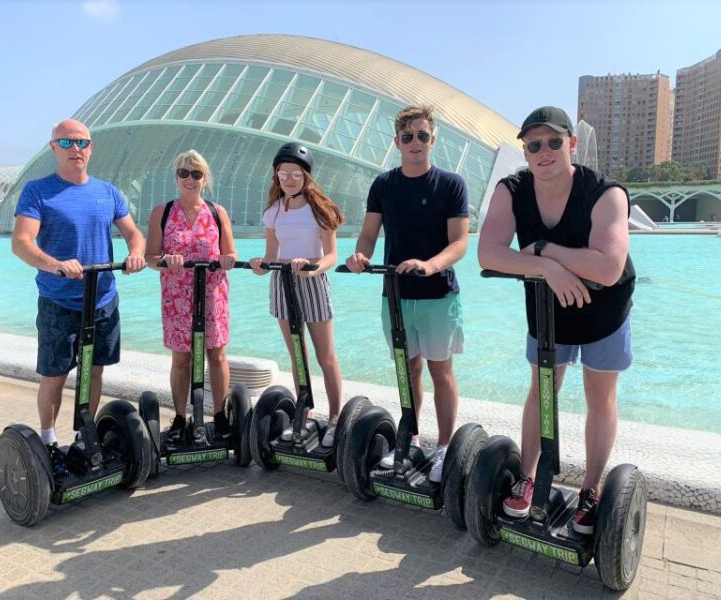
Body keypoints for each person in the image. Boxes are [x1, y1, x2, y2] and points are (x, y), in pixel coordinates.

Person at [478, 106, 636, 535]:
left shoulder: (605, 193)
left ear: (571, 144)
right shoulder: (511, 190)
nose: (543, 151)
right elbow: (488, 253)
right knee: (543, 389)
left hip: (604, 305)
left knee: (599, 394)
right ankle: (529, 476)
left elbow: (608, 267)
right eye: (533, 145)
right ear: (525, 152)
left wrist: (542, 251)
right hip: (548, 303)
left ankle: (590, 489)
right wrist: (550, 271)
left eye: (552, 142)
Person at [12, 118, 146, 475]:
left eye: (82, 143)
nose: (76, 150)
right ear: (53, 147)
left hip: (102, 299)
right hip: (60, 301)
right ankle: (49, 439)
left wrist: (135, 253)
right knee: (54, 375)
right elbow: (22, 243)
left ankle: (84, 436)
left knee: (94, 371)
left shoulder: (108, 192)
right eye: (67, 143)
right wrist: (54, 264)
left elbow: (134, 234)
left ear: (91, 148)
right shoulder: (38, 191)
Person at [345, 105, 469, 482]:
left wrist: (431, 265)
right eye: (408, 137)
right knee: (408, 368)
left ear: (433, 139)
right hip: (395, 295)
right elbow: (369, 233)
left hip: (438, 296)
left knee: (440, 370)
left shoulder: (451, 184)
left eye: (423, 135)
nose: (416, 143)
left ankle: (445, 447)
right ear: (397, 142)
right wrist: (360, 255)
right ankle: (410, 439)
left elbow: (460, 243)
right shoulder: (384, 184)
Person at [250, 142, 344, 447]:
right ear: (276, 176)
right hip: (282, 282)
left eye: (295, 173)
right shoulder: (273, 212)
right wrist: (259, 265)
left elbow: (331, 255)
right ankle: (305, 414)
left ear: (306, 176)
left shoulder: (321, 210)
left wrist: (314, 268)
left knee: (325, 356)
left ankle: (335, 418)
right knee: (298, 356)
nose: (289, 179)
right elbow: (270, 255)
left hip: (313, 282)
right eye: (283, 173)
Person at [144, 150, 237, 443]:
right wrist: (165, 260)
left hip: (212, 294)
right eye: (184, 173)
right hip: (177, 297)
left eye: (196, 174)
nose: (189, 179)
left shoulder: (217, 212)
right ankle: (181, 417)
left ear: (204, 179)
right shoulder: (162, 212)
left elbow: (230, 252)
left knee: (217, 355)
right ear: (176, 177)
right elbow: (149, 256)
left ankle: (220, 415)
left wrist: (228, 260)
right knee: (181, 359)